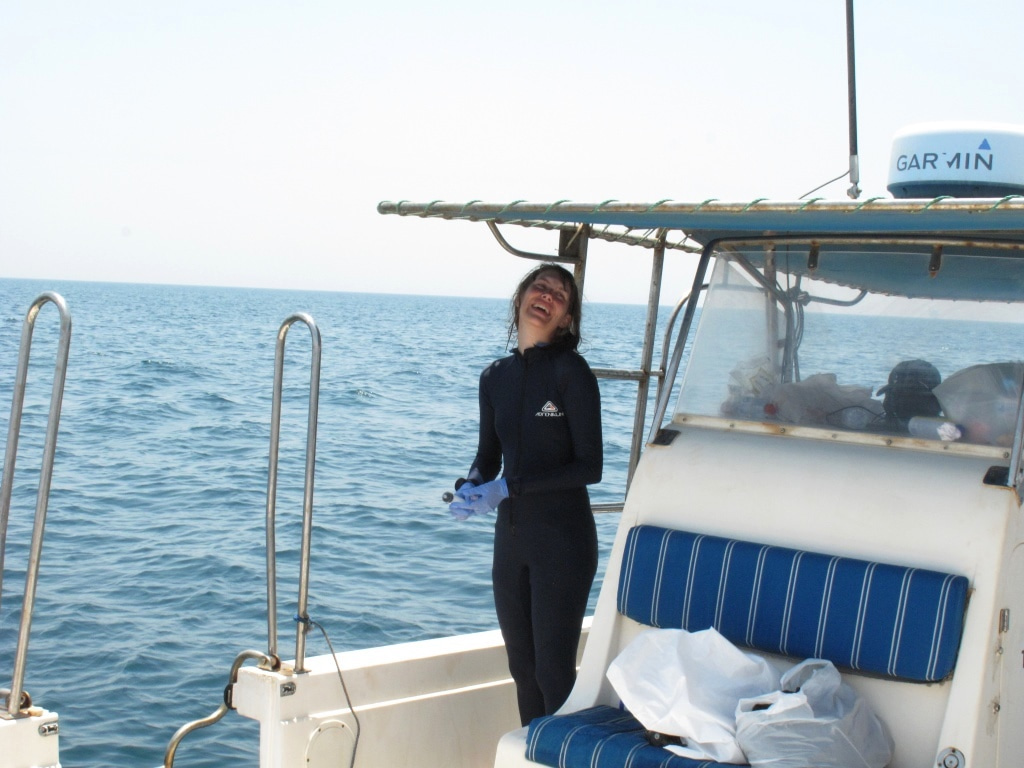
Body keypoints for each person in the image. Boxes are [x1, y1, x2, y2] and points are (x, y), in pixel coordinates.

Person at [448, 263, 603, 726]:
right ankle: (533, 752)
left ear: (567, 319)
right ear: (521, 297)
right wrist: (471, 484)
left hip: (564, 543)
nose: (548, 295)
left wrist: (508, 487)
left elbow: (590, 467)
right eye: (541, 286)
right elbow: (487, 455)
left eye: (560, 294)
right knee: (522, 670)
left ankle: (562, 753)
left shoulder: (571, 372)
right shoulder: (494, 377)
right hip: (512, 541)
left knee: (553, 673)